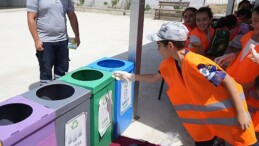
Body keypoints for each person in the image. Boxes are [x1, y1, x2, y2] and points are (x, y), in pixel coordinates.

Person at [112, 21, 257, 146]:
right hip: (202, 125)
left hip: (228, 119)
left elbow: (228, 82)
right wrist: (131, 77)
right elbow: (155, 78)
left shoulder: (198, 64)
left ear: (170, 45)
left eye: (158, 45)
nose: (157, 49)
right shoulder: (168, 64)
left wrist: (241, 114)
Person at [214, 6, 259, 133]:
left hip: (249, 90)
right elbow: (243, 53)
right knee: (230, 111)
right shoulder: (249, 35)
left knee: (245, 118)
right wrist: (232, 56)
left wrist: (247, 86)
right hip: (234, 80)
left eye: (257, 21)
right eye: (253, 20)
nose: (253, 24)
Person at [27, 0, 80, 85]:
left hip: (63, 40)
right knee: (46, 72)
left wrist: (77, 36)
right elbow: (31, 18)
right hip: (45, 42)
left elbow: (72, 16)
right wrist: (36, 40)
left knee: (62, 72)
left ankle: (60, 93)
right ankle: (46, 95)